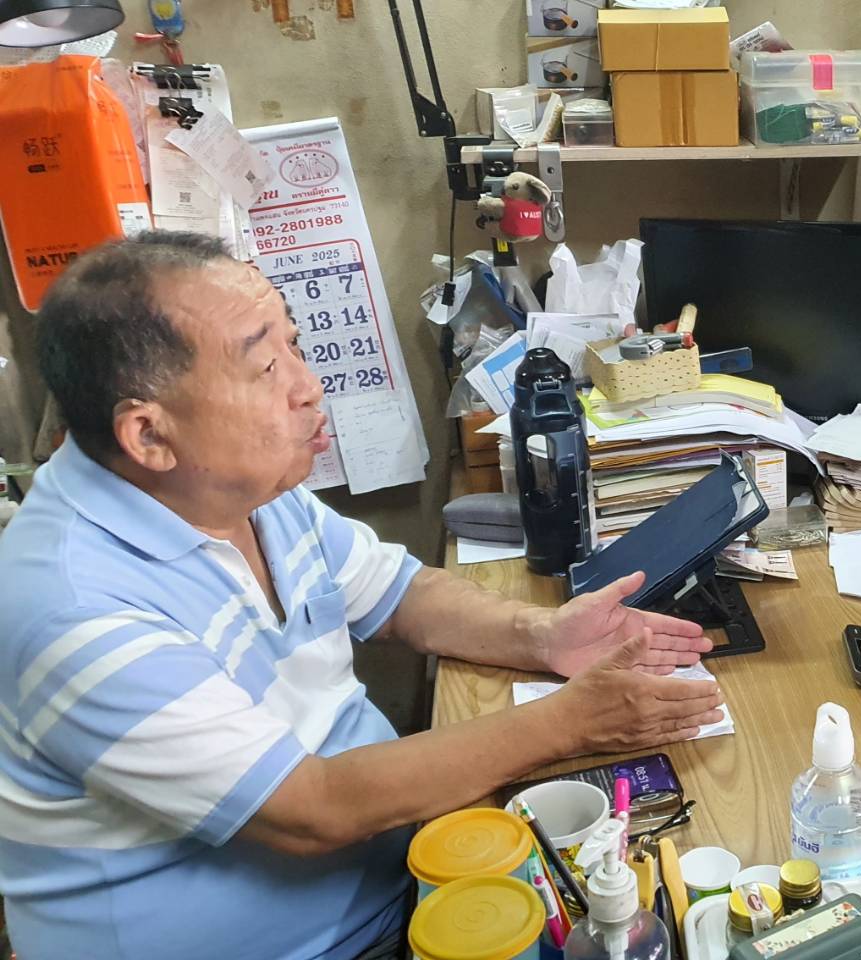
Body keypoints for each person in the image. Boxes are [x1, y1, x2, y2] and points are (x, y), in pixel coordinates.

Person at [0, 232, 727, 959]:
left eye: (292, 343)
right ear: (149, 435)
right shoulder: (74, 610)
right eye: (265, 367)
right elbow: (311, 807)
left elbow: (401, 593)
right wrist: (572, 721)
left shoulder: (236, 488)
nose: (307, 385)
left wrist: (539, 636)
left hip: (406, 879)